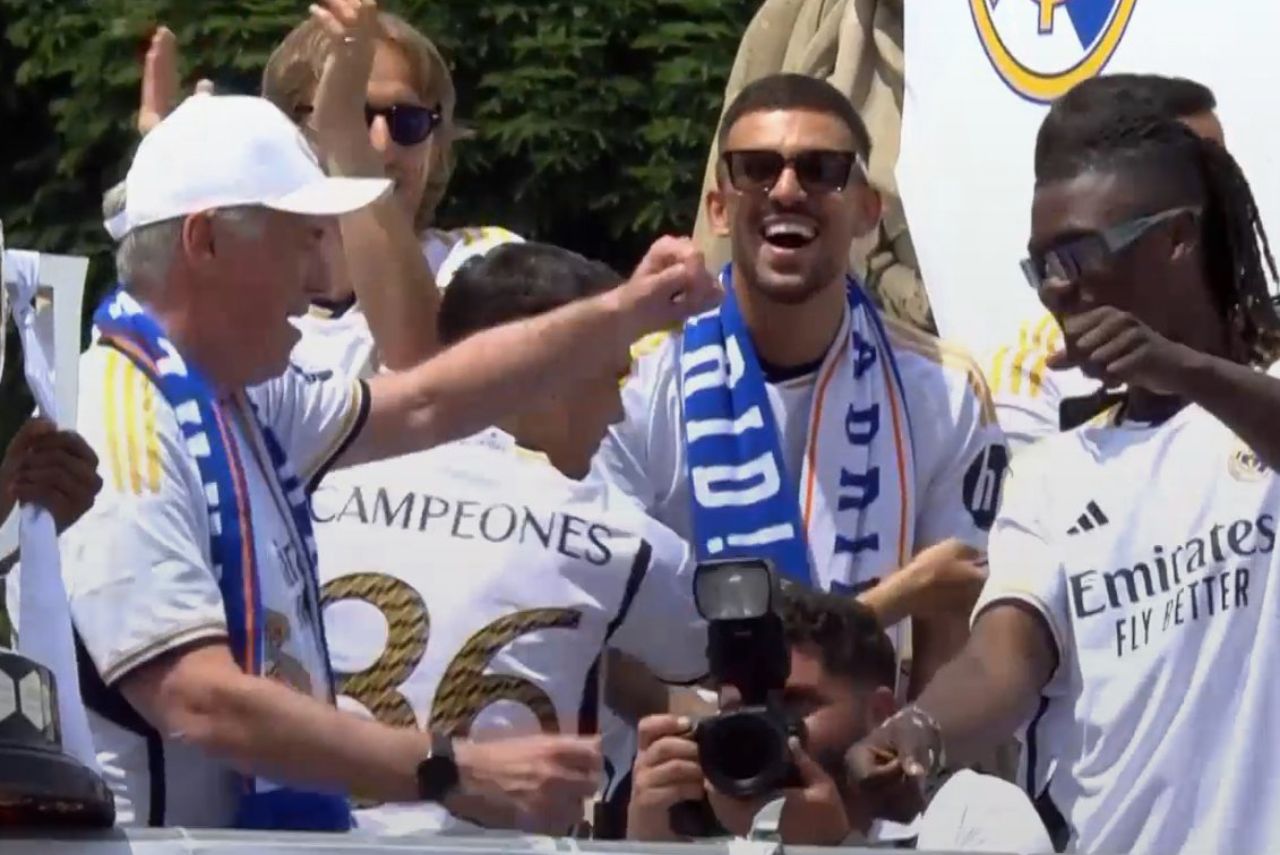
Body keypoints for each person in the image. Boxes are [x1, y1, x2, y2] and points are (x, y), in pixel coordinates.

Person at [60, 91, 719, 831]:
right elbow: (197, 700)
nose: (321, 273)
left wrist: (628, 310)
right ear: (204, 241)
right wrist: (450, 769)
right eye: (301, 238)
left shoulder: (235, 394)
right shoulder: (122, 427)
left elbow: (430, 401)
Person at [846, 87, 1280, 854]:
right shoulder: (1056, 473)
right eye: (1041, 264)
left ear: (1176, 239)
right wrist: (922, 728)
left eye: (1079, 254)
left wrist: (1185, 370)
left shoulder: (1260, 405)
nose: (1055, 286)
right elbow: (1004, 656)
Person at [593, 73, 1007, 693]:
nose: (786, 189)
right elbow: (607, 626)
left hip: (876, 743)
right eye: (756, 168)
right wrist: (891, 600)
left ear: (869, 210)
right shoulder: (634, 381)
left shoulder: (946, 392)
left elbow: (947, 643)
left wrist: (905, 746)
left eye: (822, 170)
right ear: (718, 208)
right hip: (678, 736)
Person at [313, 242, 708, 836]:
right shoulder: (616, 536)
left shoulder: (313, 483)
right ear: (546, 376)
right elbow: (716, 659)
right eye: (613, 378)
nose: (617, 414)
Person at [627, 584, 1050, 850]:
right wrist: (647, 846)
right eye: (736, 712)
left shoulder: (969, 817)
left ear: (880, 715)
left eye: (794, 705)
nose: (759, 729)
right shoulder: (709, 838)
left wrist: (835, 847)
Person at [987, 74, 1225, 453]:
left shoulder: (1259, 341)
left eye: (1219, 174)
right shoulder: (1034, 377)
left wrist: (1192, 374)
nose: (1054, 288)